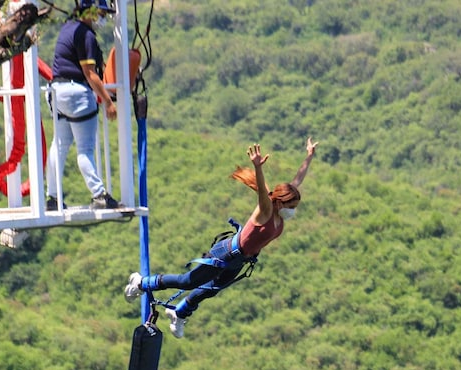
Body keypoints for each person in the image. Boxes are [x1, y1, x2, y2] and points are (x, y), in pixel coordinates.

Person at [125, 137, 318, 338]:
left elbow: (297, 180)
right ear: (280, 202)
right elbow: (262, 190)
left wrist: (309, 157)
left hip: (240, 259)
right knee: (187, 281)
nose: (294, 212)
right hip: (226, 252)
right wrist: (258, 167)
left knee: (211, 289)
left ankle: (179, 312)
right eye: (292, 207)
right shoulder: (267, 210)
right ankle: (141, 283)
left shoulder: (279, 214)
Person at [46, 0, 120, 211]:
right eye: (101, 13)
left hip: (56, 93)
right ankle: (99, 195)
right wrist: (108, 102)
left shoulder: (68, 28)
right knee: (85, 149)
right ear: (90, 11)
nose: (103, 18)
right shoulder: (86, 35)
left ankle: (52, 197)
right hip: (77, 94)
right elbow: (90, 74)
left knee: (58, 146)